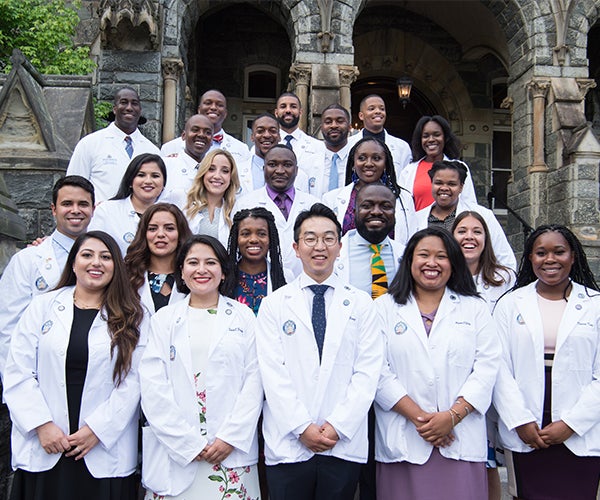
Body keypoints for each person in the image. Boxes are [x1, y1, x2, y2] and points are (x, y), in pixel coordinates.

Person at [3, 230, 146, 500]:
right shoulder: (42, 306)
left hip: (102, 449)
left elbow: (135, 381)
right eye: (87, 255)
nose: (96, 263)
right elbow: (18, 370)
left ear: (116, 265)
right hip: (46, 443)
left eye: (105, 257)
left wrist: (97, 430)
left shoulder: (134, 315)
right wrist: (41, 425)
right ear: (73, 263)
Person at [256, 203, 383, 500]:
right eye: (310, 238)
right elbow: (272, 372)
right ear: (296, 247)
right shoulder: (274, 304)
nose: (319, 247)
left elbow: (367, 371)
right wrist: (302, 427)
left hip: (342, 441)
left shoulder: (362, 303)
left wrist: (338, 426)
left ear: (340, 247)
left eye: (328, 238)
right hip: (289, 441)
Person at [374, 227, 501, 500]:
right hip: (404, 439)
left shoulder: (474, 308)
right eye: (423, 255)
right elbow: (377, 371)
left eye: (441, 256)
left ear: (453, 265)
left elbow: (487, 367)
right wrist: (425, 422)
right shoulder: (383, 308)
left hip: (460, 437)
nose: (432, 263)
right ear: (409, 261)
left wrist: (452, 417)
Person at [139, 235, 263, 499]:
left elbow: (254, 381)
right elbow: (152, 386)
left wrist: (230, 437)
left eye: (210, 262)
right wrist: (186, 443)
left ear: (223, 272)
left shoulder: (244, 317)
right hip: (177, 452)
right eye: (193, 262)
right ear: (181, 272)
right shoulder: (164, 320)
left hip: (231, 453)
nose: (202, 269)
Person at [492, 225, 600, 500]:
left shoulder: (595, 305)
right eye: (541, 253)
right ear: (530, 258)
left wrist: (571, 423)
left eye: (559, 252)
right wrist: (520, 421)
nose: (550, 259)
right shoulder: (510, 304)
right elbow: (498, 368)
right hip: (527, 428)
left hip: (580, 428)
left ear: (573, 256)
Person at [0, 175, 95, 374]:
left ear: (93, 210)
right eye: (67, 203)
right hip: (38, 372)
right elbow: (7, 327)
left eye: (83, 204)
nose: (75, 210)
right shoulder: (27, 260)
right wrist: (18, 382)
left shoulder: (108, 260)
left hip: (92, 369)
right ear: (54, 210)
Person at [451, 210, 515, 500]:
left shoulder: (504, 279)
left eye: (477, 231)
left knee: (490, 458)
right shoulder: (442, 275)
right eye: (462, 231)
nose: (469, 237)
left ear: (487, 238)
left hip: (495, 376)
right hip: (457, 378)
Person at [233, 144, 320, 277]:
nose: (280, 170)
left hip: (307, 280)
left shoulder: (313, 205)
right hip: (261, 281)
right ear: (264, 169)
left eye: (287, 165)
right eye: (272, 165)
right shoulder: (245, 204)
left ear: (296, 170)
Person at [414, 160, 516, 270]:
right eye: (438, 183)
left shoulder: (483, 215)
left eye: (451, 184)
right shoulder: (415, 218)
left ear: (461, 187)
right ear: (432, 184)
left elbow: (505, 260)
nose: (444, 188)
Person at [66, 87, 160, 202]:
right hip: (100, 217)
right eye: (124, 102)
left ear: (140, 110)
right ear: (115, 109)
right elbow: (74, 185)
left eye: (134, 103)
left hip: (141, 218)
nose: (129, 108)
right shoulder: (89, 144)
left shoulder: (153, 151)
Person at [323, 137, 415, 246]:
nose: (369, 163)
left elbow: (412, 239)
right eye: (362, 158)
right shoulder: (331, 199)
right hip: (346, 261)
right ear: (353, 164)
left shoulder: (404, 198)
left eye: (376, 158)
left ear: (385, 164)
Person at [88, 153, 166, 256]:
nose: (148, 181)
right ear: (130, 181)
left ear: (164, 183)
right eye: (141, 175)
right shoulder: (106, 211)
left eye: (155, 176)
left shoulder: (170, 215)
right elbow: (92, 249)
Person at [335, 183, 404, 294]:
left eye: (386, 206)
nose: (376, 211)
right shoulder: (333, 254)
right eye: (367, 206)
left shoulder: (405, 254)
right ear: (354, 212)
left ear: (394, 213)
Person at [125, 203, 192, 315]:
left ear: (180, 234)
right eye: (152, 229)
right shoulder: (126, 275)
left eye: (169, 228)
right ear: (144, 234)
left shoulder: (194, 276)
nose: (160, 234)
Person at [400, 115, 477, 210]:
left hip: (451, 224)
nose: (431, 139)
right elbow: (401, 207)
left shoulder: (459, 168)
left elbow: (470, 204)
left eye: (436, 135)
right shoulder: (408, 171)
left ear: (445, 138)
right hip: (418, 224)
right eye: (425, 136)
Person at [226, 207, 291, 315]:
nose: (253, 240)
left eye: (261, 234)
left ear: (270, 238)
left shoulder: (285, 276)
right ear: (236, 239)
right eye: (245, 234)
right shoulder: (224, 277)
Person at [161, 89, 250, 166]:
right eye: (208, 103)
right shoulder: (170, 148)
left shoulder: (241, 149)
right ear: (199, 109)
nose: (213, 107)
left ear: (226, 113)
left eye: (219, 105)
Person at [179, 149, 241, 247]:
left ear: (231, 177)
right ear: (203, 173)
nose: (217, 176)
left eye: (225, 171)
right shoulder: (184, 204)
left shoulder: (237, 210)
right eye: (211, 169)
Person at [346, 95, 412, 178]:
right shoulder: (348, 144)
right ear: (361, 116)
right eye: (371, 108)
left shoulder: (402, 146)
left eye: (382, 109)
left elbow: (407, 179)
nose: (378, 111)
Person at [274, 92, 324, 181]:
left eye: (293, 106)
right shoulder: (267, 146)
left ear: (300, 112)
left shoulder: (317, 146)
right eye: (283, 106)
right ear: (276, 112)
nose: (288, 110)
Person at [162, 114, 214, 196]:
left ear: (212, 141)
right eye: (195, 130)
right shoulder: (166, 166)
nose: (201, 135)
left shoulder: (215, 171)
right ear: (183, 136)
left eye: (207, 132)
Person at [314, 104, 351, 199]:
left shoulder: (358, 162)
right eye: (328, 122)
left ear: (349, 127)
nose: (334, 125)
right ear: (321, 127)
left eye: (340, 121)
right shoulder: (308, 162)